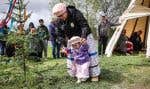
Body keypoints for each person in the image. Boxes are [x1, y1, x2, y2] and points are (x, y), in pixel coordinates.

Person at [52, 3, 100, 81]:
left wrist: (83, 37)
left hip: (84, 35)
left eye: (62, 15)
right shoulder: (58, 21)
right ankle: (76, 72)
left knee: (91, 53)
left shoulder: (76, 13)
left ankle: (94, 74)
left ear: (65, 11)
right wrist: (63, 45)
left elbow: (84, 26)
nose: (61, 18)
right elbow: (59, 35)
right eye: (58, 16)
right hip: (72, 39)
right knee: (72, 55)